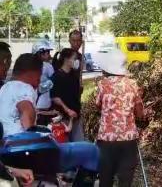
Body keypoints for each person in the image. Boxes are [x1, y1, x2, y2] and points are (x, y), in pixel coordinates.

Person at [0, 54, 99, 184]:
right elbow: (25, 109)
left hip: (5, 150)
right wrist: (31, 131)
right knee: (91, 151)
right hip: (23, 150)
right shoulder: (25, 87)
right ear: (34, 73)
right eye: (39, 76)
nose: (39, 81)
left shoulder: (4, 88)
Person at [95, 48, 144, 187]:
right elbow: (139, 111)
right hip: (128, 138)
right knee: (125, 180)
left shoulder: (102, 84)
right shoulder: (133, 84)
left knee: (105, 178)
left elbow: (98, 105)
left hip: (107, 138)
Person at [0, 44, 35, 187]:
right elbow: (27, 114)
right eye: (7, 61)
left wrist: (13, 171)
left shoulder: (3, 87)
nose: (8, 67)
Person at [51, 49, 82, 140]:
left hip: (76, 117)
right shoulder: (57, 76)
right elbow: (55, 97)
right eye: (74, 58)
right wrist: (68, 110)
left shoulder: (74, 76)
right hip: (63, 118)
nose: (77, 61)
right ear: (66, 59)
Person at [32, 40, 57, 126]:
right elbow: (54, 82)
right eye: (48, 52)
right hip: (44, 107)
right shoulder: (47, 66)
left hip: (33, 104)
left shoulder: (30, 65)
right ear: (41, 53)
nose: (49, 54)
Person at [68, 30, 85, 142]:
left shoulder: (80, 56)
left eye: (78, 41)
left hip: (76, 94)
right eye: (74, 40)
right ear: (69, 41)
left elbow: (79, 74)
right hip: (67, 93)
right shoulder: (66, 55)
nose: (76, 43)